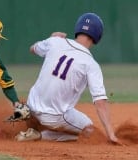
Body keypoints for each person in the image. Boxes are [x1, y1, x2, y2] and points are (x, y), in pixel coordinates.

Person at [15, 13, 121, 145]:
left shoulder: (55, 41)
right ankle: (40, 136)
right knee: (90, 131)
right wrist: (111, 134)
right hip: (53, 118)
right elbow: (100, 102)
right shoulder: (90, 64)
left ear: (78, 28)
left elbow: (33, 48)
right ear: (97, 36)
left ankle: (31, 122)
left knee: (44, 106)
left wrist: (50, 39)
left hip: (31, 106)